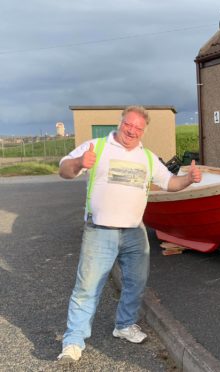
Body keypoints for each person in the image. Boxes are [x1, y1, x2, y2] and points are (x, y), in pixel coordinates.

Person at [57, 105, 201, 363]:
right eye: (128, 125)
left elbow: (170, 183)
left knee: (136, 283)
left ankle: (124, 325)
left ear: (143, 131)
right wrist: (80, 162)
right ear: (120, 122)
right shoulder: (96, 147)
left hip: (135, 231)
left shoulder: (147, 157)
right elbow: (64, 170)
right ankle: (73, 341)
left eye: (138, 128)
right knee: (87, 288)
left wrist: (189, 179)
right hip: (100, 230)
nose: (132, 131)